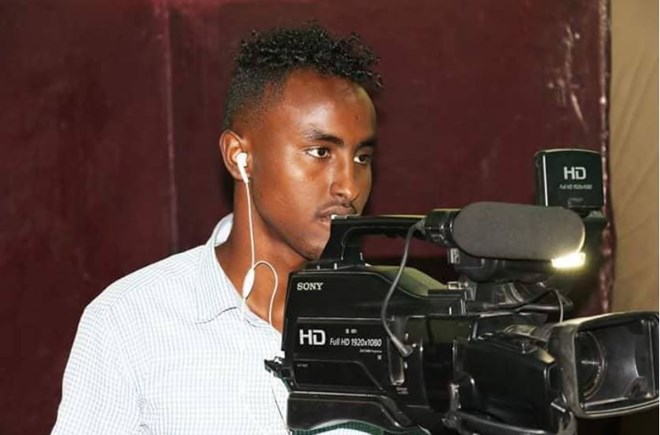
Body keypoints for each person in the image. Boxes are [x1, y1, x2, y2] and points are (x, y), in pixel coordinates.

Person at [52, 23, 409, 434]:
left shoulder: (396, 320)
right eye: (320, 152)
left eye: (362, 158)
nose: (349, 186)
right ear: (240, 156)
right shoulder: (130, 321)